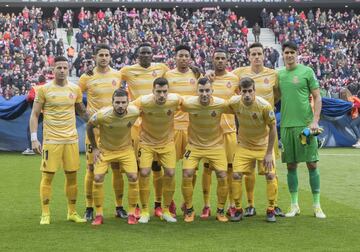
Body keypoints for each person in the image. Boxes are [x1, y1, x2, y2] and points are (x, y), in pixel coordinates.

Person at [30, 56, 89, 225]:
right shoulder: (44, 89)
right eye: (59, 67)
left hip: (71, 140)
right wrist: (34, 138)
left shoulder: (75, 89)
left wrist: (97, 123)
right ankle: (45, 213)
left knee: (72, 177)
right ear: (52, 69)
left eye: (65, 67)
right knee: (48, 177)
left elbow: (82, 111)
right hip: (52, 140)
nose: (62, 70)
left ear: (68, 69)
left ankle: (72, 212)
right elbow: (34, 115)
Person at [232, 42, 284, 217]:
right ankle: (250, 204)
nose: (256, 57)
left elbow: (278, 94)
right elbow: (225, 80)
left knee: (271, 169)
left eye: (259, 54)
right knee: (247, 171)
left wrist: (267, 108)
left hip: (267, 130)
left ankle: (273, 205)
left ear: (264, 55)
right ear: (248, 56)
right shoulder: (239, 73)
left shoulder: (273, 74)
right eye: (253, 54)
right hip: (247, 128)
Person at [119, 43, 170, 217]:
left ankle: (157, 204)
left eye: (149, 52)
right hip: (135, 124)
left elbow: (178, 76)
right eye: (143, 53)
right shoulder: (127, 71)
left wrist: (197, 69)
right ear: (138, 55)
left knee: (157, 166)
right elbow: (110, 76)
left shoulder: (162, 68)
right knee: (139, 167)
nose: (146, 55)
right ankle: (139, 205)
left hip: (155, 123)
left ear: (152, 55)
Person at [79, 44, 127, 221]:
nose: (104, 57)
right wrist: (85, 115)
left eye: (107, 54)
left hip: (115, 130)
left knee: (116, 168)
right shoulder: (87, 77)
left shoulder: (118, 74)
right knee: (91, 169)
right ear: (94, 56)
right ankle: (89, 207)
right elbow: (77, 98)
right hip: (96, 130)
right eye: (101, 55)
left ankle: (119, 206)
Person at [278, 41, 326, 218]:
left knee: (312, 164)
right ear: (282, 55)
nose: (289, 55)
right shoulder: (279, 74)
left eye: (292, 52)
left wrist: (315, 120)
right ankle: (294, 205)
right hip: (286, 126)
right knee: (291, 165)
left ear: (297, 54)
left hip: (305, 126)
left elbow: (317, 97)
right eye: (286, 52)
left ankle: (317, 206)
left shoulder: (307, 72)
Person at [87, 89, 140, 225]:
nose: (120, 105)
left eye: (123, 102)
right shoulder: (102, 115)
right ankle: (98, 215)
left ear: (128, 102)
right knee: (97, 177)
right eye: (117, 102)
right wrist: (95, 148)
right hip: (106, 150)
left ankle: (132, 213)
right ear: (112, 103)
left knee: (133, 177)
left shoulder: (134, 112)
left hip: (125, 150)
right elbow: (89, 126)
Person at [181, 77, 230, 223]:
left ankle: (221, 211)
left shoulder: (221, 104)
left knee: (222, 175)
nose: (204, 94)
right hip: (194, 146)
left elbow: (238, 108)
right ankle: (189, 210)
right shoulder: (188, 104)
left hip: (215, 146)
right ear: (196, 91)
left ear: (212, 91)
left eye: (207, 90)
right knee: (187, 173)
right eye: (201, 90)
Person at [228, 77, 278, 222]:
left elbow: (273, 128)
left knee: (270, 175)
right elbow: (223, 108)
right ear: (240, 92)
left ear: (255, 91)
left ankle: (271, 209)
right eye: (244, 91)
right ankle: (238, 209)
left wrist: (269, 153)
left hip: (263, 147)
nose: (247, 94)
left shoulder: (264, 106)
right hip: (244, 146)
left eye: (250, 91)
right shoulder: (234, 102)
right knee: (236, 175)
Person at [133, 78, 181, 223]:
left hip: (167, 143)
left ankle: (166, 210)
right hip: (146, 143)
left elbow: (193, 102)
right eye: (158, 92)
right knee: (145, 172)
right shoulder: (143, 101)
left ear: (168, 91)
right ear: (153, 91)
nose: (162, 95)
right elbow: (126, 109)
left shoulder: (175, 100)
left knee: (170, 173)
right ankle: (145, 211)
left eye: (164, 92)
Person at [200, 49, 239, 219]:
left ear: (227, 60)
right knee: (208, 169)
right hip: (211, 132)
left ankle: (231, 204)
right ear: (212, 60)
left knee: (230, 170)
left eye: (223, 58)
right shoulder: (207, 78)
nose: (220, 61)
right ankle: (206, 205)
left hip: (229, 132)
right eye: (217, 58)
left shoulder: (234, 79)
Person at [164, 45, 200, 216]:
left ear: (190, 58)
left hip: (192, 129)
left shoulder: (197, 74)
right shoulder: (168, 75)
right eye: (181, 55)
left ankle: (188, 202)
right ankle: (169, 203)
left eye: (186, 55)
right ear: (175, 57)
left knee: (191, 170)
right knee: (169, 169)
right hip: (172, 129)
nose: (184, 58)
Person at [23, 75, 46, 155]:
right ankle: (45, 148)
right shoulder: (49, 87)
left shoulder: (35, 88)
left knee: (30, 129)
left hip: (38, 112)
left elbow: (30, 97)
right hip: (48, 112)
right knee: (46, 130)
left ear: (38, 81)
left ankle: (31, 148)